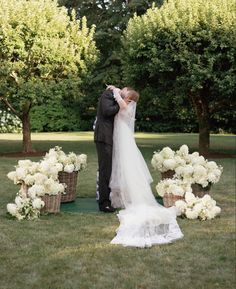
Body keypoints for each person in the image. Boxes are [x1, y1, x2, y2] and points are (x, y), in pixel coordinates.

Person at [108, 85, 184, 247]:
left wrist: (115, 92)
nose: (122, 92)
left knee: (126, 166)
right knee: (120, 167)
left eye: (125, 93)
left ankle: (127, 196)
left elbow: (121, 102)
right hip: (120, 135)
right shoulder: (126, 102)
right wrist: (116, 88)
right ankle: (120, 196)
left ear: (129, 99)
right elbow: (121, 95)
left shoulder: (125, 106)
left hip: (123, 138)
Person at [94, 86, 120, 212]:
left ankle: (108, 198)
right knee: (105, 170)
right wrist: (120, 104)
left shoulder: (116, 97)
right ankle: (104, 203)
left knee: (108, 170)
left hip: (110, 138)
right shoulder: (107, 94)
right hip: (103, 136)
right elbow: (106, 111)